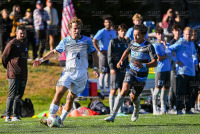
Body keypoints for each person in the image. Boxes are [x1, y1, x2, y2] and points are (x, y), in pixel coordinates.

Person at [32, 17, 99, 126]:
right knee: (59, 93)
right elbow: (54, 52)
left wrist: (95, 68)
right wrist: (41, 60)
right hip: (68, 72)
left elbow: (94, 53)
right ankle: (49, 119)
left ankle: (60, 121)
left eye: (78, 28)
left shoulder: (87, 40)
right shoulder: (65, 41)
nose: (76, 31)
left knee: (71, 98)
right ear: (70, 30)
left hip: (81, 74)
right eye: (74, 29)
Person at [104, 24, 157, 122]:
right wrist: (120, 60)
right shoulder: (132, 43)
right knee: (124, 90)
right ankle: (112, 116)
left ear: (143, 35)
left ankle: (137, 109)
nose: (134, 37)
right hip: (130, 71)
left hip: (141, 76)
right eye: (134, 34)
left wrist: (143, 65)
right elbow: (126, 51)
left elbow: (155, 62)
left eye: (137, 35)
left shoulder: (149, 46)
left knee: (133, 97)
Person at [165, 27, 198, 115]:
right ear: (184, 34)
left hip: (191, 71)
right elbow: (167, 50)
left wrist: (195, 63)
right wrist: (176, 60)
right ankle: (179, 109)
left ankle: (188, 109)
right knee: (181, 91)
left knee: (190, 91)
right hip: (182, 71)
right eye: (187, 34)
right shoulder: (180, 42)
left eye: (190, 34)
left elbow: (194, 54)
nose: (188, 36)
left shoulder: (192, 43)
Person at [2, 26, 28, 121]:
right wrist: (9, 68)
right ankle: (8, 116)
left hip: (23, 73)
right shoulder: (12, 43)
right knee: (12, 94)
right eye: (20, 33)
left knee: (19, 95)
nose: (22, 35)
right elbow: (4, 57)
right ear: (16, 33)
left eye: (24, 33)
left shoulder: (24, 43)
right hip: (13, 74)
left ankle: (16, 115)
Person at [107, 24, 129, 114]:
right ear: (118, 32)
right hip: (115, 70)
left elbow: (128, 56)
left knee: (122, 90)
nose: (123, 33)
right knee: (113, 89)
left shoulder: (127, 42)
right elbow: (109, 55)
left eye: (124, 31)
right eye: (121, 31)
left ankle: (120, 110)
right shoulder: (113, 41)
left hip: (124, 70)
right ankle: (112, 111)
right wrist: (112, 67)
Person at [93, 15, 117, 95]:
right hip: (103, 54)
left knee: (109, 72)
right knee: (102, 72)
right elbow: (94, 40)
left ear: (111, 23)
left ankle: (107, 89)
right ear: (104, 23)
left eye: (109, 22)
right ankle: (102, 89)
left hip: (111, 54)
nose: (108, 23)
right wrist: (99, 50)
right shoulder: (101, 31)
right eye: (106, 22)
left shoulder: (114, 32)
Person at [152, 27, 171, 115]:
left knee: (165, 89)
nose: (160, 35)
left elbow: (171, 54)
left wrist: (166, 46)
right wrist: (167, 55)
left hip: (168, 69)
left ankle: (163, 108)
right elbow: (159, 58)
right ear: (156, 35)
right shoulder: (155, 45)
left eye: (161, 33)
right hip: (160, 70)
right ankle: (155, 108)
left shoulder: (166, 44)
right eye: (158, 34)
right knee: (157, 89)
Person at [168, 24, 182, 114]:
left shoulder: (183, 41)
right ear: (173, 32)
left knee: (180, 88)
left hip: (182, 68)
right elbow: (169, 53)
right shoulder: (172, 42)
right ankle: (171, 106)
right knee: (173, 88)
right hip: (174, 68)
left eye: (179, 30)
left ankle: (180, 106)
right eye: (176, 30)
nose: (177, 32)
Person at [191, 29, 200, 113]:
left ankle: (194, 106)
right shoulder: (186, 45)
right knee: (188, 89)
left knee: (196, 89)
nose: (194, 35)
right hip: (188, 71)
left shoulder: (197, 47)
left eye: (195, 34)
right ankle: (185, 106)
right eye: (192, 34)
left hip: (197, 71)